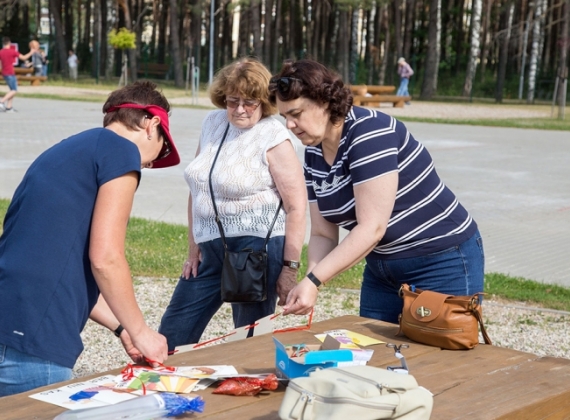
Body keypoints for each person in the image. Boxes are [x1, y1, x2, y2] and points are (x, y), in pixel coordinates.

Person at [0, 80, 180, 397]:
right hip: (34, 339)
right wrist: (142, 333)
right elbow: (106, 258)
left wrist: (122, 327)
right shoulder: (121, 150)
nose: (151, 162)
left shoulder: (64, 151)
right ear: (151, 125)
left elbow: (59, 262)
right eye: (162, 147)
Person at [268, 59, 484, 324]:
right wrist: (310, 282)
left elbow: (372, 228)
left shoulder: (369, 132)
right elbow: (323, 233)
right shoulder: (313, 149)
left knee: (444, 357)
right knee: (376, 359)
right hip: (382, 268)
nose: (289, 125)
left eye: (296, 113)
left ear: (324, 101)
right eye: (285, 117)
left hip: (440, 260)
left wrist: (314, 281)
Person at [159, 58, 306, 351]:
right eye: (232, 101)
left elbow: (296, 206)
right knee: (173, 332)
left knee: (247, 340)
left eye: (250, 102)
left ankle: (248, 392)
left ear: (264, 102)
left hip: (255, 250)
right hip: (210, 249)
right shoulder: (213, 123)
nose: (239, 109)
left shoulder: (273, 134)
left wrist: (289, 269)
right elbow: (198, 186)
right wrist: (193, 246)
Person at [0, 36, 38, 113]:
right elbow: (23, 58)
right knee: (14, 90)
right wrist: (31, 52)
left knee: (11, 90)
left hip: (4, 72)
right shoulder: (12, 51)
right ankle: (1, 101)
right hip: (10, 72)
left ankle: (9, 107)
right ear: (9, 43)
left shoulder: (1, 52)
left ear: (3, 43)